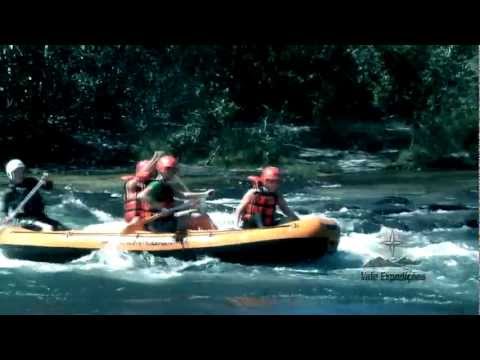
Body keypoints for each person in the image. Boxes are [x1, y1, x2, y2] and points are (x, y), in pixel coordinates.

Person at [137, 154, 217, 233]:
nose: (172, 172)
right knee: (201, 218)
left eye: (173, 170)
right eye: (169, 170)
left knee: (197, 216)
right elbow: (141, 196)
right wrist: (160, 208)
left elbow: (183, 195)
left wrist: (205, 194)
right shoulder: (157, 184)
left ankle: (210, 236)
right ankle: (216, 238)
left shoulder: (167, 183)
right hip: (158, 224)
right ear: (161, 170)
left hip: (167, 220)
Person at [0, 159, 69, 231]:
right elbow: (5, 214)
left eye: (21, 171)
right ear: (10, 174)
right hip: (22, 220)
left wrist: (47, 182)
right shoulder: (9, 193)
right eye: (17, 172)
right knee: (48, 228)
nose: (20, 174)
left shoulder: (31, 182)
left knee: (61, 227)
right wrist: (7, 219)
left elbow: (48, 188)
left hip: (38, 216)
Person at [235, 166, 299, 229]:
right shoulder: (253, 192)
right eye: (271, 181)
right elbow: (239, 209)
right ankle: (262, 229)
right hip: (251, 223)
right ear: (264, 181)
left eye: (277, 182)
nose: (274, 184)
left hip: (267, 224)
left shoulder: (277, 195)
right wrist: (236, 225)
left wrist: (296, 219)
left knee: (291, 218)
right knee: (257, 215)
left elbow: (286, 209)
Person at [121, 151, 164, 223]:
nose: (152, 173)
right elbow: (141, 175)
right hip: (135, 218)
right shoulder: (131, 183)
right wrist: (155, 157)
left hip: (141, 216)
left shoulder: (149, 184)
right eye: (152, 171)